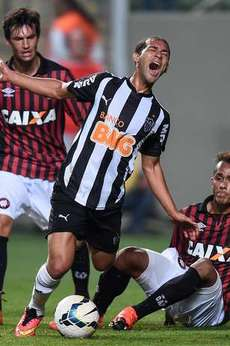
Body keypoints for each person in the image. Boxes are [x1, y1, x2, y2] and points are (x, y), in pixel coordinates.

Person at [0, 36, 198, 337]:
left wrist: (172, 211)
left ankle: (85, 265)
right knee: (58, 264)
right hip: (72, 190)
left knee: (105, 263)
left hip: (108, 204)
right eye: (153, 49)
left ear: (166, 67)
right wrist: (12, 76)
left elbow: (151, 166)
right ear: (137, 56)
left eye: (165, 54)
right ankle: (35, 309)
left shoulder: (159, 118)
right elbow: (58, 89)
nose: (159, 55)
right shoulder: (106, 84)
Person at [0, 8, 91, 325]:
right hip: (11, 168)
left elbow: (85, 124)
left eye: (30, 36)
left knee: (74, 244)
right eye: (17, 38)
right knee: (0, 222)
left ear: (38, 36)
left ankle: (84, 302)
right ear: (9, 41)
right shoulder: (0, 80)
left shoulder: (60, 77)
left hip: (51, 172)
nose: (25, 43)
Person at [93, 151, 230, 329]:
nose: (223, 185)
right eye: (220, 178)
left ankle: (134, 313)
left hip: (213, 309)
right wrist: (169, 310)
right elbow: (175, 259)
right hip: (180, 295)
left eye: (229, 179)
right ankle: (94, 314)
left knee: (204, 265)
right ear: (212, 181)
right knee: (127, 255)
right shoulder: (188, 215)